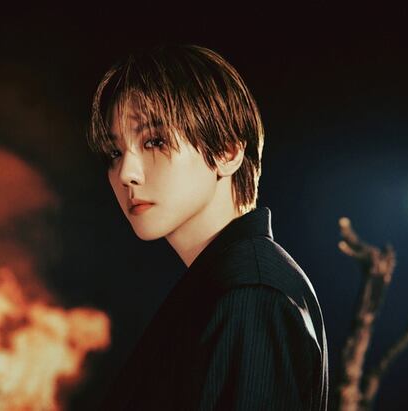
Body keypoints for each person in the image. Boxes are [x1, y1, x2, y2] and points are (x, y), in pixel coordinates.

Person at [86, 44, 328, 411]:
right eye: (115, 152)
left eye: (154, 141)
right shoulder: (227, 285)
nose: (126, 173)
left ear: (227, 151)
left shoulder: (250, 295)